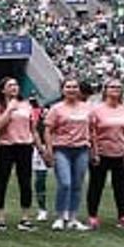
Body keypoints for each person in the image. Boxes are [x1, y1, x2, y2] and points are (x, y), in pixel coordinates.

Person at [40, 79, 93, 232]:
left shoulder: (87, 108)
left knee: (77, 185)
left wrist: (93, 147)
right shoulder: (56, 109)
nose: (71, 89)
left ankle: (73, 217)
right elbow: (48, 130)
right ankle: (60, 216)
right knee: (65, 183)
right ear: (63, 90)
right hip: (61, 149)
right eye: (68, 87)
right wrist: (49, 150)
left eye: (74, 87)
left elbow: (93, 129)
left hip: (82, 149)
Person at [0, 79, 39, 231]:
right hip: (5, 146)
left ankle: (25, 217)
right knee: (2, 180)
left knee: (25, 181)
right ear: (3, 90)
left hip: (25, 146)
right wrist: (9, 109)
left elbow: (33, 129)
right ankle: (0, 217)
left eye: (16, 85)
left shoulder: (26, 105)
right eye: (10, 86)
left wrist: (41, 149)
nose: (14, 88)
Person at [86, 81, 124, 230]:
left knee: (122, 186)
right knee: (96, 185)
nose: (116, 90)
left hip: (121, 153)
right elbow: (91, 132)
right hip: (101, 153)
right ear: (105, 90)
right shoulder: (96, 110)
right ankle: (93, 215)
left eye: (119, 88)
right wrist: (94, 151)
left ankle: (123, 216)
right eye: (112, 87)